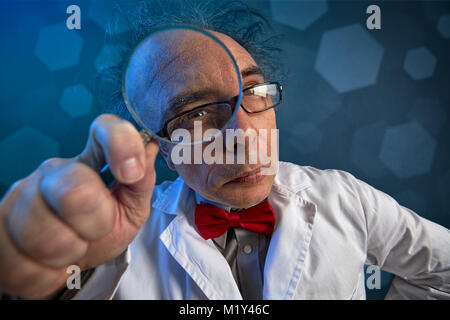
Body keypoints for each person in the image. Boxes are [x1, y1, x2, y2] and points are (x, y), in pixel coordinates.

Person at [0, 0, 449, 300]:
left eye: (252, 90)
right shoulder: (114, 244)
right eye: (195, 113)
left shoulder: (345, 199)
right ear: (159, 146)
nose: (246, 134)